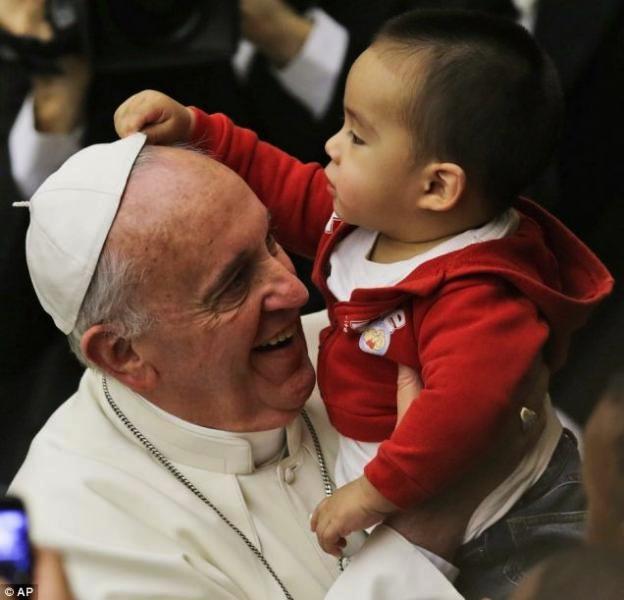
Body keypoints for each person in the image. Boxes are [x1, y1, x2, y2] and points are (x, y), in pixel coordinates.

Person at [114, 9, 614, 598]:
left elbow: (462, 412)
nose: (331, 145)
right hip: (400, 471)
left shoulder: (479, 294)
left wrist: (375, 493)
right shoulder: (376, 222)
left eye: (357, 135)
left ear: (436, 186)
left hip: (506, 520)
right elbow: (288, 187)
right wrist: (201, 131)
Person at [8, 132, 552, 599]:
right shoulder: (60, 537)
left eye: (270, 240)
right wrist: (426, 524)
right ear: (123, 353)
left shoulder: (366, 344)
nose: (295, 289)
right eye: (234, 283)